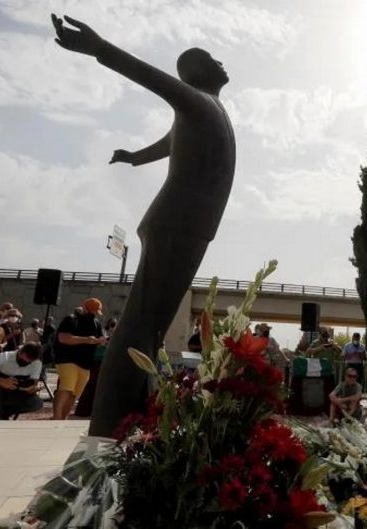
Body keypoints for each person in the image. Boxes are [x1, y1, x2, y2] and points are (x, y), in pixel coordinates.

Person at [52, 14, 237, 437]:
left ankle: (132, 420)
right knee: (140, 325)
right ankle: (106, 431)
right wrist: (100, 48)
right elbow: (150, 77)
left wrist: (135, 157)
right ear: (194, 71)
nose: (221, 62)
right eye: (210, 57)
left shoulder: (207, 110)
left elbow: (166, 144)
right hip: (177, 222)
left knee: (149, 326)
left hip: (188, 224)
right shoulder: (196, 100)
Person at [52, 298, 105, 420]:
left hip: (86, 362)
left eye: (96, 312)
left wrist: (101, 341)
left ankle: (63, 417)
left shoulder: (96, 323)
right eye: (92, 311)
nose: (94, 314)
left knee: (75, 393)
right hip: (67, 359)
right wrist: (87, 339)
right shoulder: (71, 320)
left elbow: (99, 339)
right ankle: (57, 417)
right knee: (67, 387)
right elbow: (63, 338)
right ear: (85, 308)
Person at [0, 343, 45, 419]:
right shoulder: (5, 356)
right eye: (27, 357)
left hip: (18, 392)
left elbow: (34, 383)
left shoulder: (37, 363)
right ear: (20, 352)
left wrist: (32, 389)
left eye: (31, 360)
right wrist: (2, 382)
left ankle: (4, 414)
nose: (28, 361)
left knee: (36, 403)